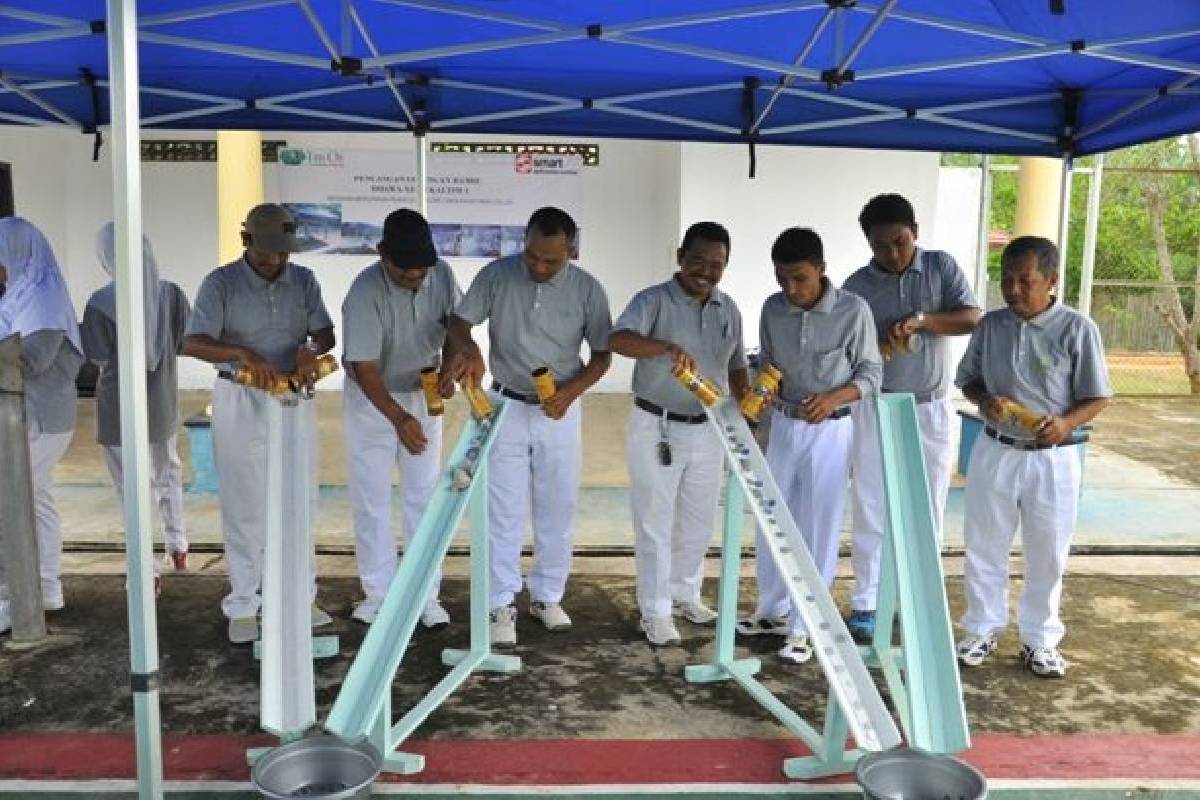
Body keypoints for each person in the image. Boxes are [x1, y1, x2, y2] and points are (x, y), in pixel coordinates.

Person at [446, 206, 612, 647]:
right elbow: (460, 322)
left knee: (558, 506)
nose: (539, 266)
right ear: (526, 241)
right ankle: (500, 602)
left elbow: (602, 356)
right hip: (505, 404)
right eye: (533, 256)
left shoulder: (588, 290)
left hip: (560, 408)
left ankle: (547, 595)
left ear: (571, 250)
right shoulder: (498, 276)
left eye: (551, 260)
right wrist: (470, 348)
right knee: (504, 509)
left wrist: (572, 391)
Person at [955, 236, 1111, 678]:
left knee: (1047, 552)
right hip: (995, 450)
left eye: (1026, 280)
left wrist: (1065, 424)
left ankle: (1039, 640)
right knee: (985, 544)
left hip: (1054, 458)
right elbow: (968, 380)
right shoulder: (991, 326)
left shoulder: (1078, 329)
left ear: (1053, 280)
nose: (1014, 290)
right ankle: (981, 629)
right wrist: (983, 400)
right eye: (1006, 279)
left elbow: (1098, 396)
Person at [183, 204, 336, 645]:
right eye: (267, 252)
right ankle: (245, 602)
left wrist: (310, 348)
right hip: (241, 395)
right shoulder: (221, 283)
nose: (276, 260)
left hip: (292, 394)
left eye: (283, 252)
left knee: (299, 499)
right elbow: (193, 342)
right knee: (245, 502)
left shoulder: (303, 280)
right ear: (245, 240)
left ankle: (299, 597)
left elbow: (325, 334)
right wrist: (239, 353)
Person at [737, 228, 882, 662]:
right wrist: (758, 394)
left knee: (819, 525)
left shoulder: (853, 311)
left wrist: (835, 397)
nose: (790, 288)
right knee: (772, 516)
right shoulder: (772, 308)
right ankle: (773, 609)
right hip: (783, 423)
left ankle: (807, 626)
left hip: (831, 428)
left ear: (821, 269)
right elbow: (768, 363)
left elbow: (872, 375)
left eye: (799, 278)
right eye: (782, 278)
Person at [842, 193, 980, 643]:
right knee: (872, 502)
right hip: (874, 405)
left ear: (915, 232)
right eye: (881, 246)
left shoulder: (941, 268)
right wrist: (877, 343)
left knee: (927, 503)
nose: (892, 253)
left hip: (930, 405)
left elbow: (970, 317)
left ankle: (919, 599)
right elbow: (848, 345)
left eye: (899, 241)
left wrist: (922, 320)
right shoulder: (857, 286)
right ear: (869, 244)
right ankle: (867, 600)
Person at [609, 222, 750, 647]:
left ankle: (685, 592)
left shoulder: (729, 309)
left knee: (697, 520)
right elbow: (618, 339)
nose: (706, 272)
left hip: (710, 428)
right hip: (658, 424)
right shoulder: (652, 301)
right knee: (654, 521)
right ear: (679, 257)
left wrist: (747, 405)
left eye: (716, 264)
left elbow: (737, 366)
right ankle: (654, 611)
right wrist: (663, 347)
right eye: (697, 261)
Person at [341, 209, 462, 627]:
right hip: (372, 401)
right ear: (382, 256)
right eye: (406, 272)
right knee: (371, 499)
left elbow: (455, 326)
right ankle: (378, 594)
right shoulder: (363, 293)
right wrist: (397, 418)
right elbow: (364, 368)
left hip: (423, 394)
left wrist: (451, 365)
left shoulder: (440, 274)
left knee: (425, 498)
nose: (417, 278)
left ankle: (426, 595)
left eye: (422, 270)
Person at [82, 223, 192, 581]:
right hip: (162, 398)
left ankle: (145, 570)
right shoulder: (172, 294)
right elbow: (183, 342)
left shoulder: (100, 303)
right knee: (168, 471)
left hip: (118, 405)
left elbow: (96, 356)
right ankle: (178, 547)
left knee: (131, 486)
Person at [0, 217, 84, 634]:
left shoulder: (43, 302)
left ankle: (12, 595)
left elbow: (31, 361)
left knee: (10, 500)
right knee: (35, 498)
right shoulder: (19, 295)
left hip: (41, 417)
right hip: (29, 417)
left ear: (17, 255)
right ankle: (46, 587)